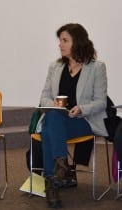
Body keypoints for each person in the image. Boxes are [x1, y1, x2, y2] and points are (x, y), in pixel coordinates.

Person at [39, 23, 108, 208]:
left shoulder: (96, 67)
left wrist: (82, 108)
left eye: (64, 40)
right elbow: (44, 97)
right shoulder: (55, 67)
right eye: (60, 41)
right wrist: (52, 104)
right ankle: (60, 171)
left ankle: (52, 184)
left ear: (77, 42)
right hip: (58, 121)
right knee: (51, 120)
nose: (60, 45)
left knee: (48, 127)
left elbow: (101, 101)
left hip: (84, 120)